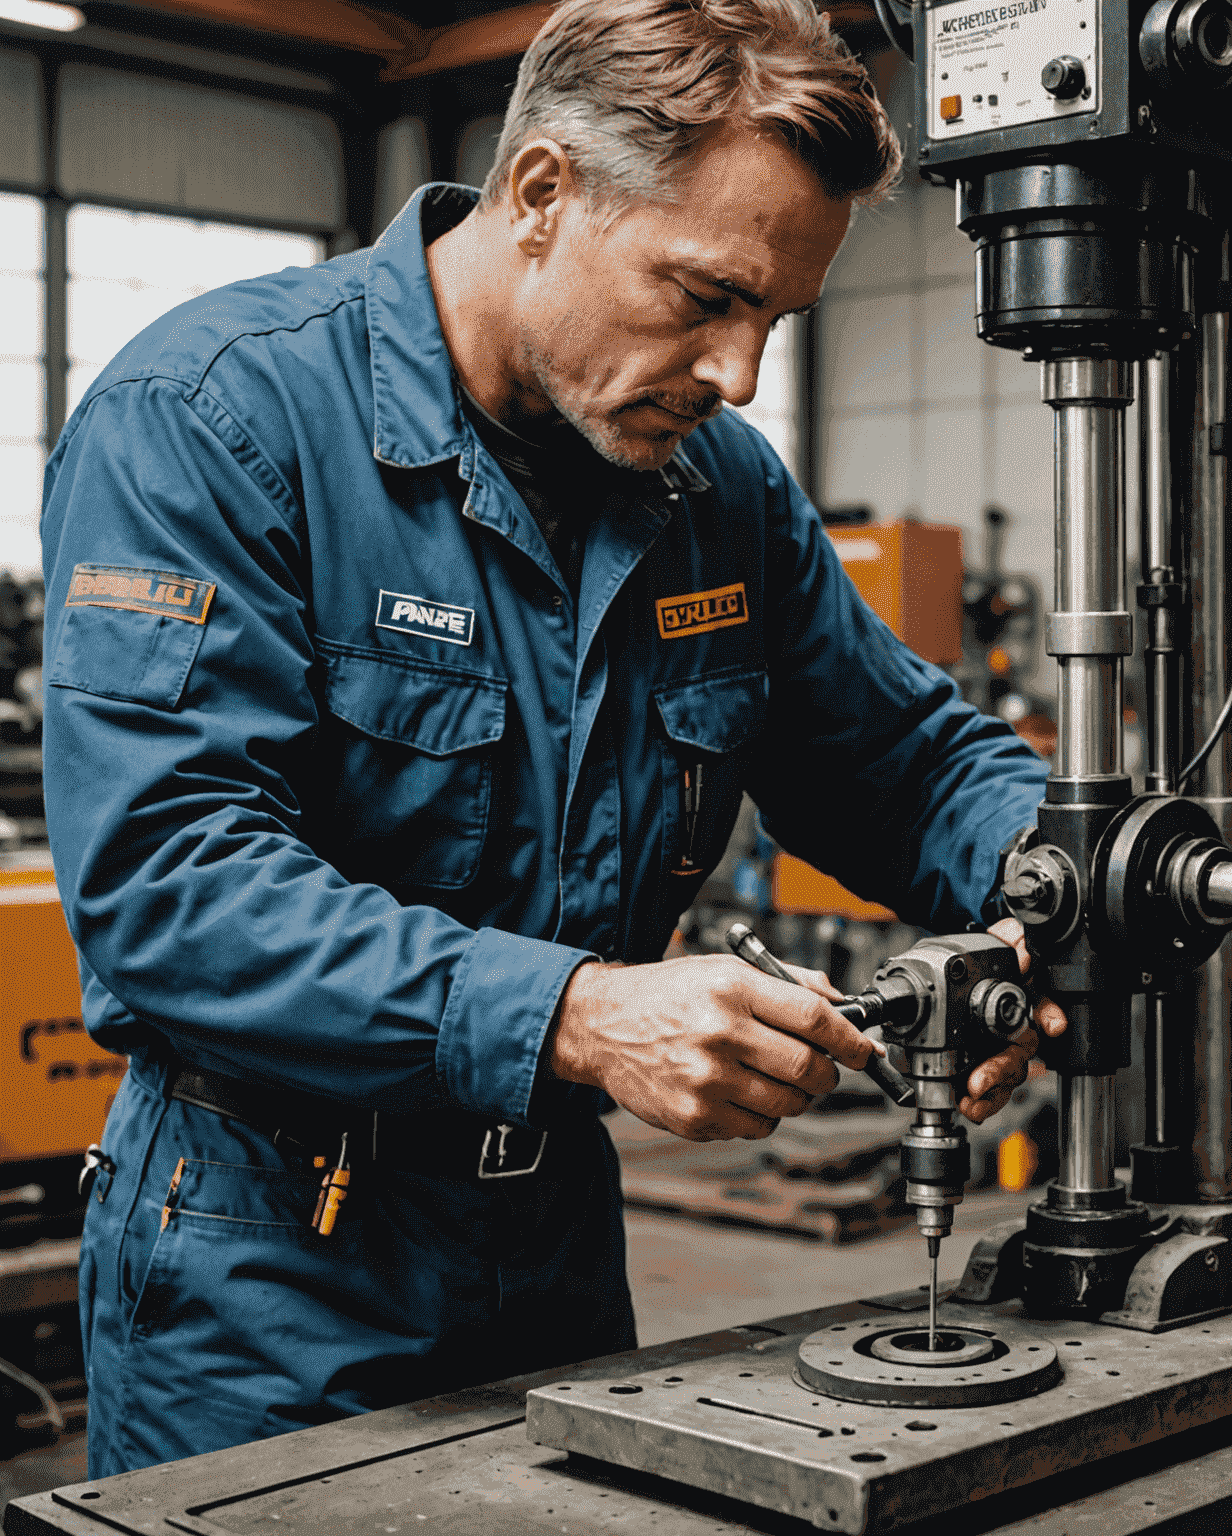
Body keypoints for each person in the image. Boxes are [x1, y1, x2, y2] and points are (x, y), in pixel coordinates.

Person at [40, 0, 1060, 1479]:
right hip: (267, 1270)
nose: (740, 375)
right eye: (706, 295)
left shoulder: (722, 492)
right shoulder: (214, 419)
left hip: (557, 1252)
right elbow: (172, 890)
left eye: (776, 319)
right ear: (539, 194)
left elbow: (902, 759)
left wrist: (1046, 889)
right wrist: (581, 1018)